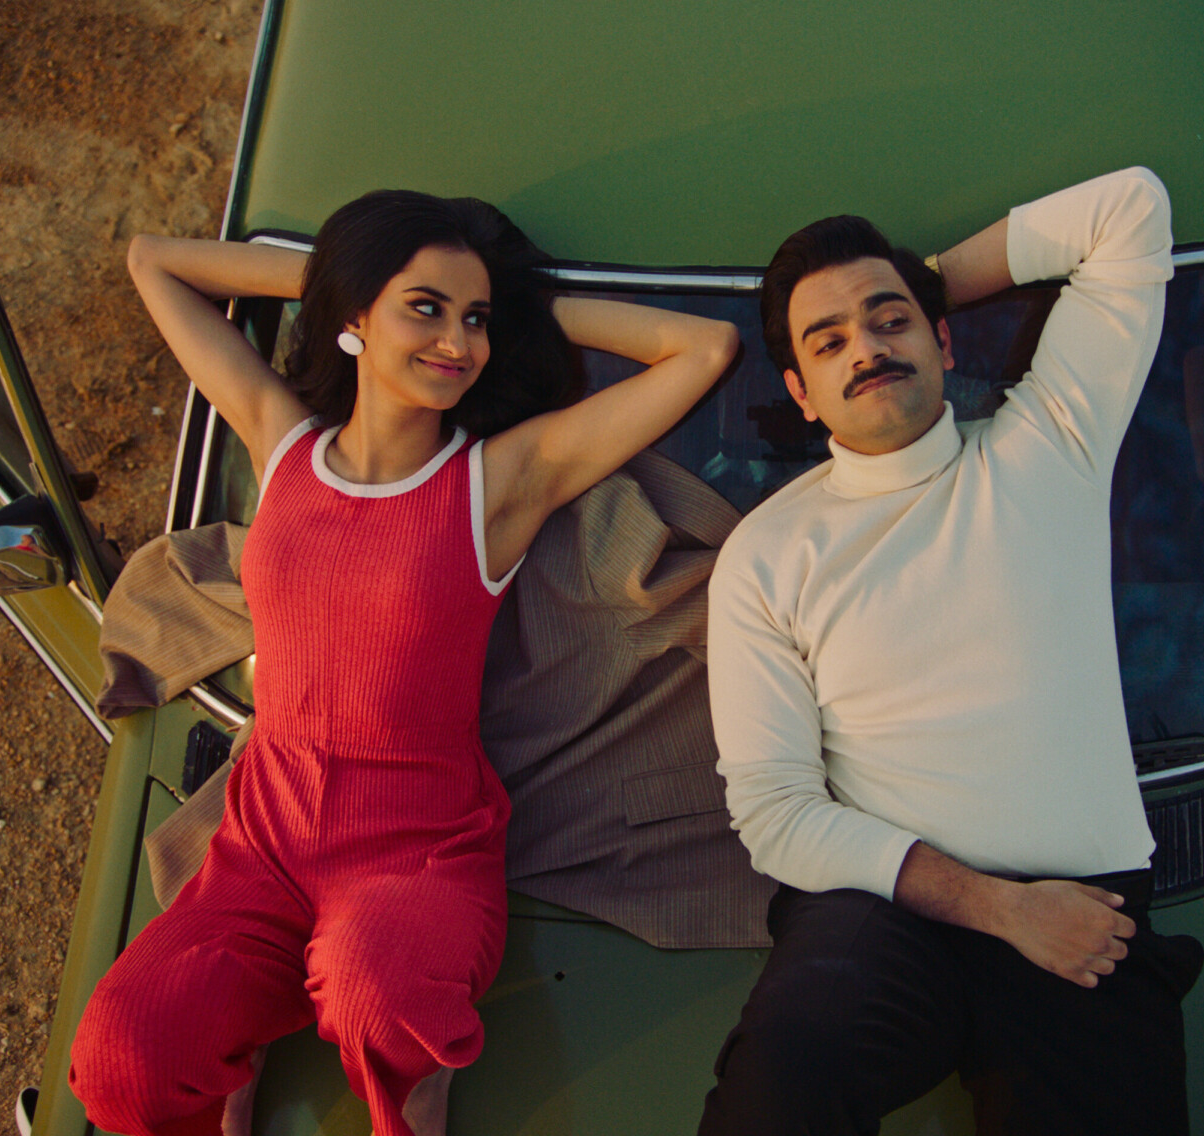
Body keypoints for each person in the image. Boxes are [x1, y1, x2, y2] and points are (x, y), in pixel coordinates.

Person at [67, 190, 738, 1136]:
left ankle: (415, 1091)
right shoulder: (281, 441)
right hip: (260, 849)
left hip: (415, 858)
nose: (458, 342)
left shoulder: (497, 481)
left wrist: (520, 303)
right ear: (355, 314)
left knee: (378, 1001)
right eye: (426, 308)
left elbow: (704, 350)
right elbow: (153, 260)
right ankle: (234, 1053)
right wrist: (336, 279)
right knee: (120, 1058)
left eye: (476, 320)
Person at [701, 167, 1204, 1135]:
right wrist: (998, 908)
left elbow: (1130, 208)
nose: (867, 348)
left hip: (1081, 904)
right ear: (801, 394)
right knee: (785, 1074)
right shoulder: (766, 554)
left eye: (889, 321)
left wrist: (925, 279)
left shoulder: (1048, 443)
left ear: (943, 341)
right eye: (829, 341)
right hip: (881, 915)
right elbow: (773, 814)